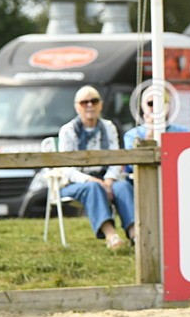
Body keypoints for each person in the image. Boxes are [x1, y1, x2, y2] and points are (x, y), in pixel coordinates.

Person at [57, 85, 135, 250]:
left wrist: (108, 180)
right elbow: (67, 169)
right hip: (76, 183)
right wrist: (92, 180)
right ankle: (111, 236)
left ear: (101, 105)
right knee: (93, 187)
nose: (89, 105)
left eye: (94, 101)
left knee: (123, 186)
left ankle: (135, 234)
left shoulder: (109, 127)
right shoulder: (67, 130)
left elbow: (115, 158)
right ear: (77, 107)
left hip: (106, 177)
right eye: (84, 102)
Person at [121, 89, 190, 180]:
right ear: (142, 106)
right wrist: (150, 132)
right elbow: (132, 165)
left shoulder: (183, 132)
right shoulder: (132, 135)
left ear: (167, 106)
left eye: (160, 103)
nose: (155, 107)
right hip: (143, 181)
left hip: (175, 178)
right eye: (150, 103)